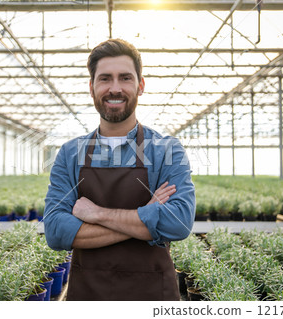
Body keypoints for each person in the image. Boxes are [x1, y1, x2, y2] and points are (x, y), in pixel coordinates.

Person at [44, 39, 195, 301]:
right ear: (92, 88)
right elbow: (56, 231)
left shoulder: (167, 150)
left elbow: (179, 222)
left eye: (125, 78)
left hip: (153, 296)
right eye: (105, 79)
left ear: (141, 85)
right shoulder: (70, 154)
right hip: (88, 297)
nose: (115, 88)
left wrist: (95, 214)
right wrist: (148, 216)